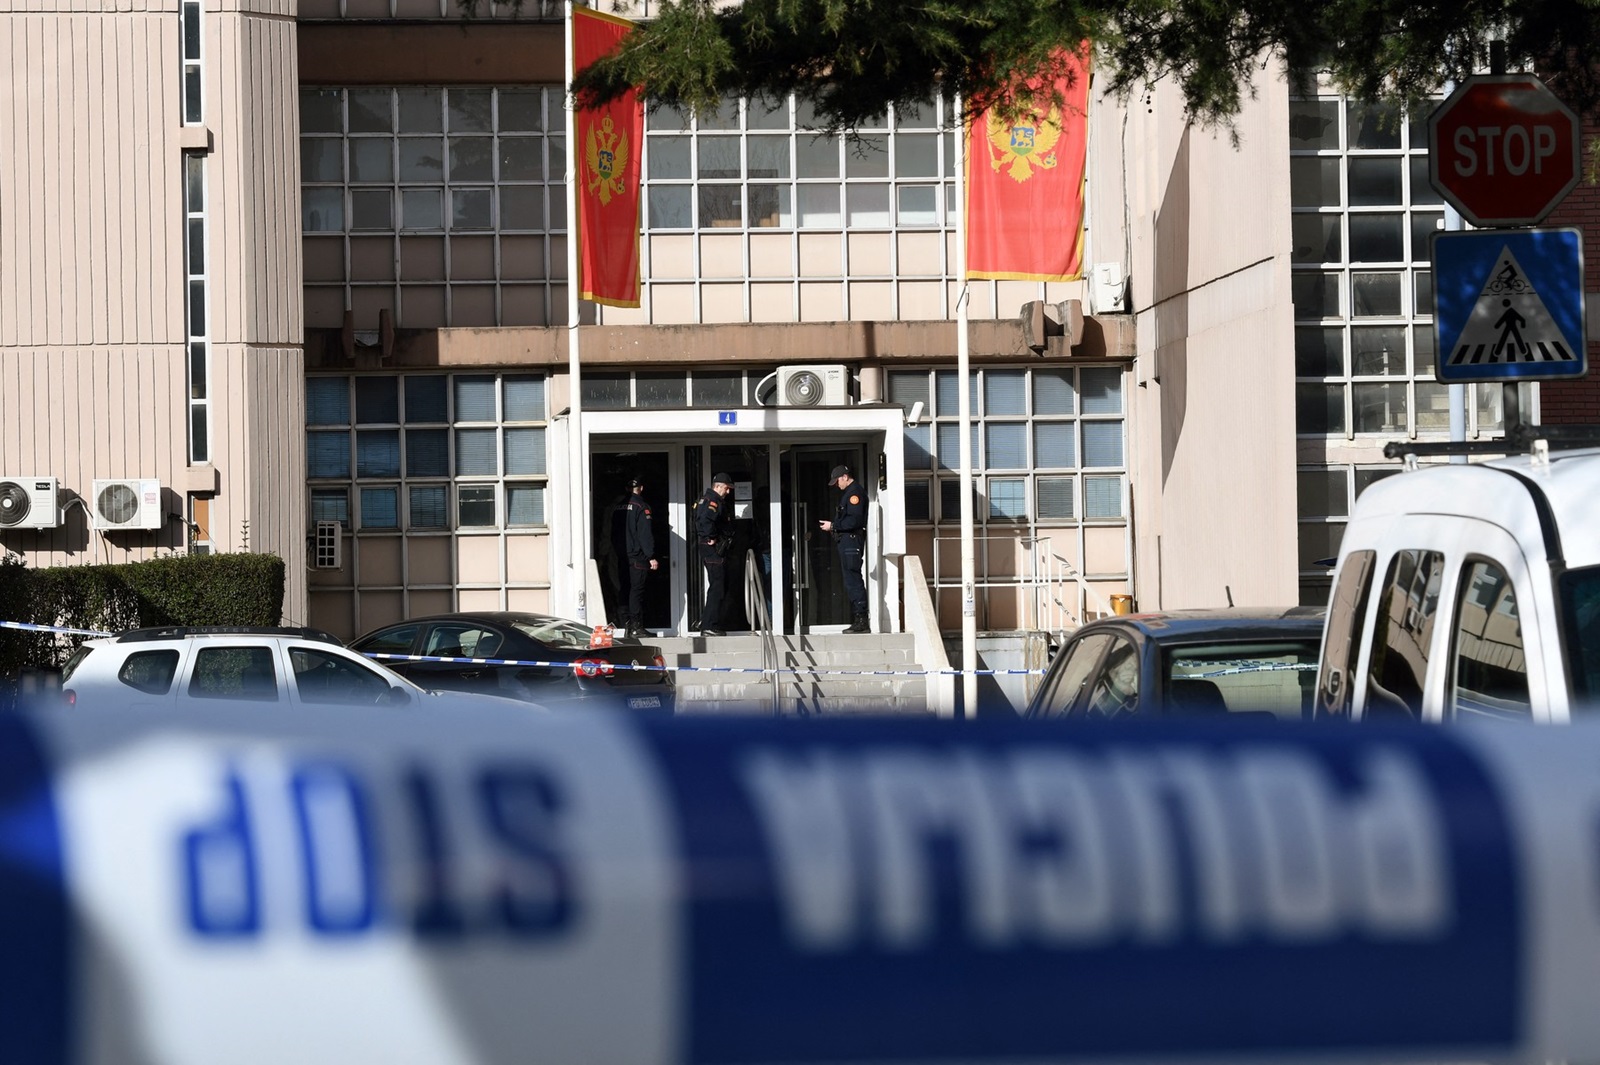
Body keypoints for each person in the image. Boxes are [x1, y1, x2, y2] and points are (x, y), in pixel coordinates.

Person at [818, 464, 869, 633]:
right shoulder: (850, 493)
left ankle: (861, 619)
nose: (837, 485)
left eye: (838, 481)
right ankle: (859, 618)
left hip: (851, 542)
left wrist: (833, 525)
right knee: (850, 579)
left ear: (845, 477)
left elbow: (854, 521)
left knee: (853, 579)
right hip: (848, 542)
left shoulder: (854, 494)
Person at [693, 471, 735, 636]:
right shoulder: (713, 501)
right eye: (727, 488)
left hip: (710, 548)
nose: (728, 492)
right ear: (718, 486)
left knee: (717, 586)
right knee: (717, 587)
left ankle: (707, 621)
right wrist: (712, 537)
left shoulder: (706, 499)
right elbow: (705, 521)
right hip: (712, 549)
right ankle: (708, 625)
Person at [620, 476, 658, 639]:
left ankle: (624, 625)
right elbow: (644, 534)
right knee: (636, 591)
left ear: (627, 489)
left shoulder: (618, 506)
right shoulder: (641, 506)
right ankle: (636, 626)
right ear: (641, 488)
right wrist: (651, 556)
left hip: (620, 555)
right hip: (637, 556)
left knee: (624, 590)